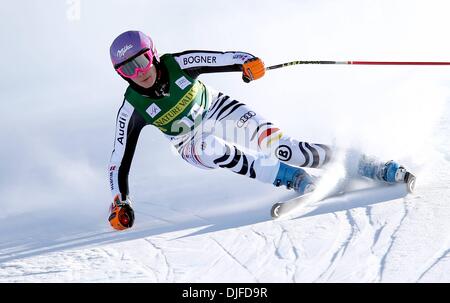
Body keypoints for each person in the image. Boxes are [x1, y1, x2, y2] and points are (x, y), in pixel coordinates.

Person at [107, 30, 414, 231]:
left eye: (142, 61)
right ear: (120, 74)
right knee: (210, 147)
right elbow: (118, 160)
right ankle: (294, 179)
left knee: (286, 149)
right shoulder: (131, 108)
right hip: (189, 143)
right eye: (127, 69)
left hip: (218, 110)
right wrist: (121, 201)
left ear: (153, 53)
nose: (140, 73)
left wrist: (249, 64)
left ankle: (369, 166)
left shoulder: (180, 63)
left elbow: (226, 58)